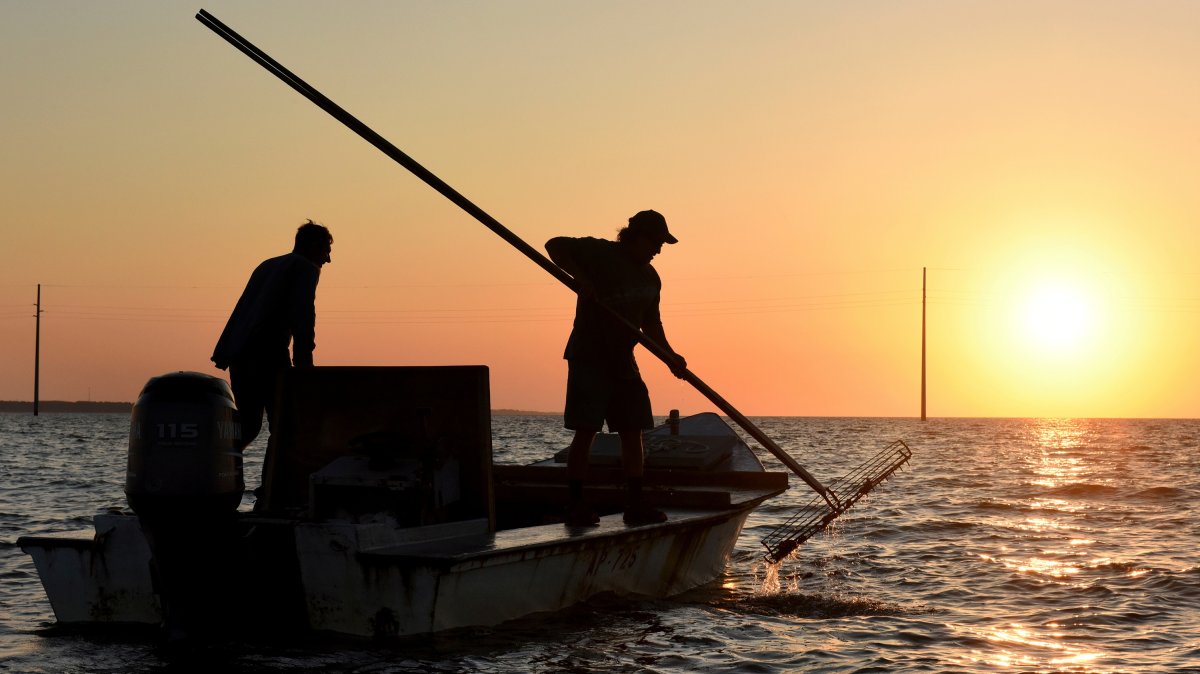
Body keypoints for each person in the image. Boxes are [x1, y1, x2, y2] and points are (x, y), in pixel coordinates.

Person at [545, 210, 687, 527]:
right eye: (655, 242)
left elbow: (652, 325)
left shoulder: (651, 279)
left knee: (633, 429)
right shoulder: (600, 253)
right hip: (589, 356)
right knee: (586, 431)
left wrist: (670, 357)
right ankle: (576, 504)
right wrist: (581, 278)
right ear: (635, 236)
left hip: (623, 360)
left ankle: (635, 505)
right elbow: (553, 245)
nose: (658, 250)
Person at [212, 219, 333, 451]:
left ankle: (213, 467)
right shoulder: (305, 268)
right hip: (267, 355)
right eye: (326, 251)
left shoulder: (267, 265)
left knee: (248, 424)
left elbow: (243, 310)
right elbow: (303, 316)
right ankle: (274, 485)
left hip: (239, 355)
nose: (328, 259)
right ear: (313, 247)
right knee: (285, 423)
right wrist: (304, 366)